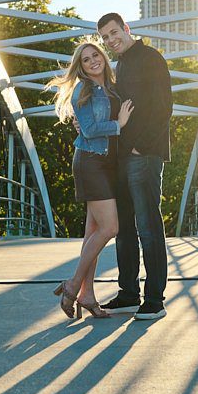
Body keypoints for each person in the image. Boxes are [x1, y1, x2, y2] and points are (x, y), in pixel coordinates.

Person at [47, 41, 134, 320]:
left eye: (96, 55)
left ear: (104, 58)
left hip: (107, 164)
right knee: (110, 227)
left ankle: (87, 294)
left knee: (92, 234)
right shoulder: (83, 90)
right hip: (90, 163)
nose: (93, 60)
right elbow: (90, 128)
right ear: (81, 67)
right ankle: (73, 285)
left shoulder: (112, 86)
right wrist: (118, 125)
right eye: (86, 59)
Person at [97, 12, 172, 321]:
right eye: (105, 38)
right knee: (124, 228)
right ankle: (129, 293)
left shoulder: (151, 58)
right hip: (122, 157)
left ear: (126, 29)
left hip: (144, 155)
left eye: (115, 33)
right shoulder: (121, 64)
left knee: (148, 226)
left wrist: (143, 145)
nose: (111, 40)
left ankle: (155, 299)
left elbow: (163, 106)